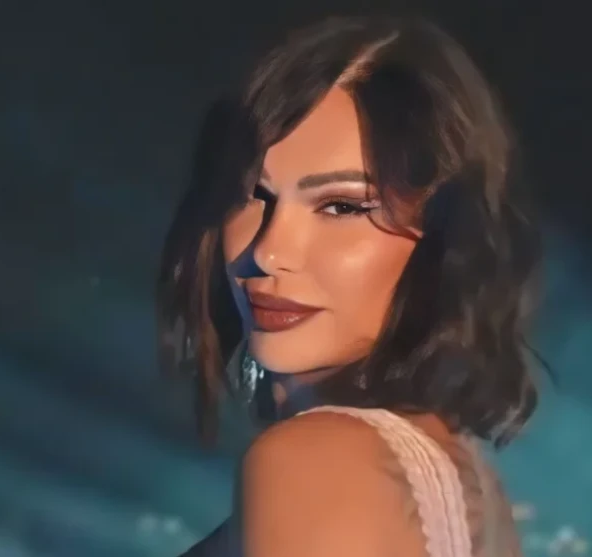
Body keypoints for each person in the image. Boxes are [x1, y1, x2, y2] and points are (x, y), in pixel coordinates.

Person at [157, 15, 541, 557]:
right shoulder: (464, 478)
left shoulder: (316, 461)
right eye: (253, 196)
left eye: (341, 206)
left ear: (448, 236)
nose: (268, 252)